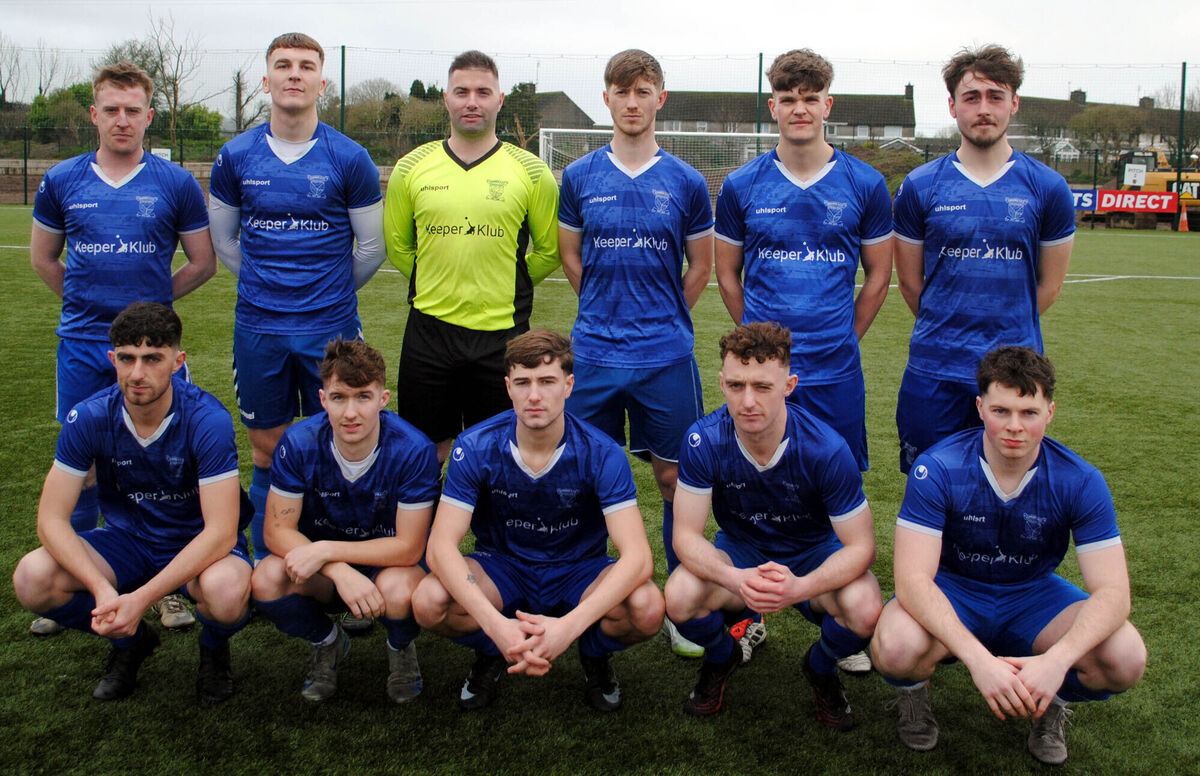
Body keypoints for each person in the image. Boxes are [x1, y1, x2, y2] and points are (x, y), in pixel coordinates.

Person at [870, 346, 1146, 765]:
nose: (1014, 426)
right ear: (980, 408)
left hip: (1033, 596)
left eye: (1029, 412)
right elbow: (912, 581)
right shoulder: (938, 468)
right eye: (1001, 411)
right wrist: (979, 662)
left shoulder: (1082, 479)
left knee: (1125, 657)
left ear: (1050, 412)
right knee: (894, 646)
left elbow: (1114, 592)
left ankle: (1049, 699)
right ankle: (914, 698)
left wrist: (1057, 662)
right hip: (955, 589)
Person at [557, 49, 737, 662]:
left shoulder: (686, 181)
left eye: (643, 90)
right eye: (620, 90)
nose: (631, 102)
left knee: (671, 478)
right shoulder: (578, 177)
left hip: (665, 355)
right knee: (584, 478)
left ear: (661, 98)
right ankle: (589, 593)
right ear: (605, 97)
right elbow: (572, 259)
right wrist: (607, 312)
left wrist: (661, 315)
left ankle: (679, 602)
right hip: (596, 354)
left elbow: (702, 266)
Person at [30, 61, 217, 635]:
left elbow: (203, 262)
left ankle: (169, 587)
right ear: (94, 114)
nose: (121, 120)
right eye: (110, 109)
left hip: (155, 350)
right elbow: (43, 258)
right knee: (80, 467)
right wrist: (93, 313)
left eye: (133, 110)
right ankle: (81, 575)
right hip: (83, 346)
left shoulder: (175, 182)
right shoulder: (63, 179)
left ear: (149, 116)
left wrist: (156, 310)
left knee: (169, 463)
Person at [411, 329, 664, 712]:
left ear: (568, 385)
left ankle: (592, 653)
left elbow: (639, 558)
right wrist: (497, 629)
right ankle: (496, 648)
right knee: (429, 600)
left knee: (646, 607)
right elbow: (441, 545)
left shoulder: (602, 452)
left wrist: (568, 629)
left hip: (579, 570)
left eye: (547, 381)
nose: (534, 395)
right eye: (523, 382)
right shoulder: (475, 446)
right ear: (507, 387)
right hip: (502, 568)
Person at [12, 302, 253, 703]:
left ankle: (214, 648)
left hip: (196, 545)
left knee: (226, 592)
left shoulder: (206, 419)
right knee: (32, 578)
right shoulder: (88, 417)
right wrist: (102, 591)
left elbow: (221, 532)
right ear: (113, 359)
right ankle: (133, 643)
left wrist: (140, 599)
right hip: (129, 541)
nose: (138, 373)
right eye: (127, 358)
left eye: (152, 358)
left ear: (178, 361)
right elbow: (51, 521)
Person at [208, 32, 386, 562]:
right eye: (283, 65)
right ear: (266, 81)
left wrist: (323, 292)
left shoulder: (349, 157)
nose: (294, 74)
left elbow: (371, 248)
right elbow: (223, 242)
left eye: (306, 66)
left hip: (330, 327)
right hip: (259, 326)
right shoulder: (236, 154)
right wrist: (268, 284)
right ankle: (271, 561)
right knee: (266, 449)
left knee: (342, 441)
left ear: (321, 83)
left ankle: (340, 557)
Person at [664, 323, 881, 729]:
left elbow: (861, 547)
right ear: (722, 383)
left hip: (813, 553)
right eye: (736, 385)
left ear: (789, 384)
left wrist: (800, 587)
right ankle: (720, 655)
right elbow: (685, 536)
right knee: (679, 595)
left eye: (763, 387)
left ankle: (819, 667)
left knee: (866, 608)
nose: (747, 401)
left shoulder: (827, 448)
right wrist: (735, 576)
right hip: (742, 550)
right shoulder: (703, 440)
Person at [893, 45, 1075, 473]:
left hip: (1014, 372)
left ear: (1014, 103)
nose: (984, 108)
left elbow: (1048, 288)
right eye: (971, 97)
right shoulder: (920, 186)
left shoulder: (1048, 188)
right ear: (953, 106)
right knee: (928, 486)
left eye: (996, 96)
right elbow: (910, 283)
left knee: (1008, 489)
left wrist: (1002, 330)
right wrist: (949, 327)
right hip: (935, 369)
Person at [713, 49, 893, 474]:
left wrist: (845, 335)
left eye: (810, 98)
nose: (800, 109)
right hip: (764, 371)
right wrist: (759, 340)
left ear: (826, 106)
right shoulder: (741, 184)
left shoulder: (865, 183)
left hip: (836, 368)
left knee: (838, 478)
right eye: (788, 99)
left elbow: (880, 275)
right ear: (772, 106)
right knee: (763, 475)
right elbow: (725, 274)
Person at [384, 50, 560, 465]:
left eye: (483, 92)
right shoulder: (410, 169)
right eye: (461, 91)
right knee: (426, 453)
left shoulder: (532, 172)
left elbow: (549, 251)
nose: (472, 101)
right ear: (446, 98)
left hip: (503, 336)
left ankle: (493, 533)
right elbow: (398, 248)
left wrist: (503, 278)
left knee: (500, 455)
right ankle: (420, 534)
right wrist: (440, 277)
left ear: (500, 100)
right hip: (429, 332)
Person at [250, 339, 439, 703]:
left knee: (402, 590)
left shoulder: (413, 449)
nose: (350, 412)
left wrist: (325, 550)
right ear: (322, 399)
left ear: (383, 400)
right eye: (339, 398)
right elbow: (276, 530)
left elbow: (409, 546)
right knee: (267, 579)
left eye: (363, 397)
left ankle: (400, 648)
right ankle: (329, 641)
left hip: (386, 567)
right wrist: (338, 569)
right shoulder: (300, 442)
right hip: (323, 571)